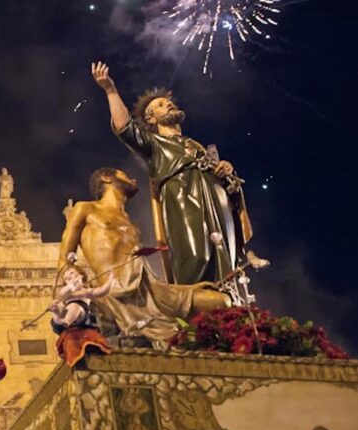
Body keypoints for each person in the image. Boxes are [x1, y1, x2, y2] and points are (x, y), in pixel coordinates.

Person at [91, 61, 252, 285]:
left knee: (225, 259)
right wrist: (110, 90)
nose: (168, 105)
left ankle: (227, 310)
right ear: (151, 119)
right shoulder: (154, 144)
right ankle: (196, 311)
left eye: (168, 103)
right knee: (195, 255)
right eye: (160, 105)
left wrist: (225, 170)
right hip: (183, 197)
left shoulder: (196, 146)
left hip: (215, 201)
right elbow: (124, 127)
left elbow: (226, 180)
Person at [58, 167, 231, 347]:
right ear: (107, 177)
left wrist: (186, 287)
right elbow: (64, 261)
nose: (132, 178)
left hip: (153, 291)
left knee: (222, 301)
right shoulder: (85, 209)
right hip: (117, 294)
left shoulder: (129, 222)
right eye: (124, 174)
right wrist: (75, 295)